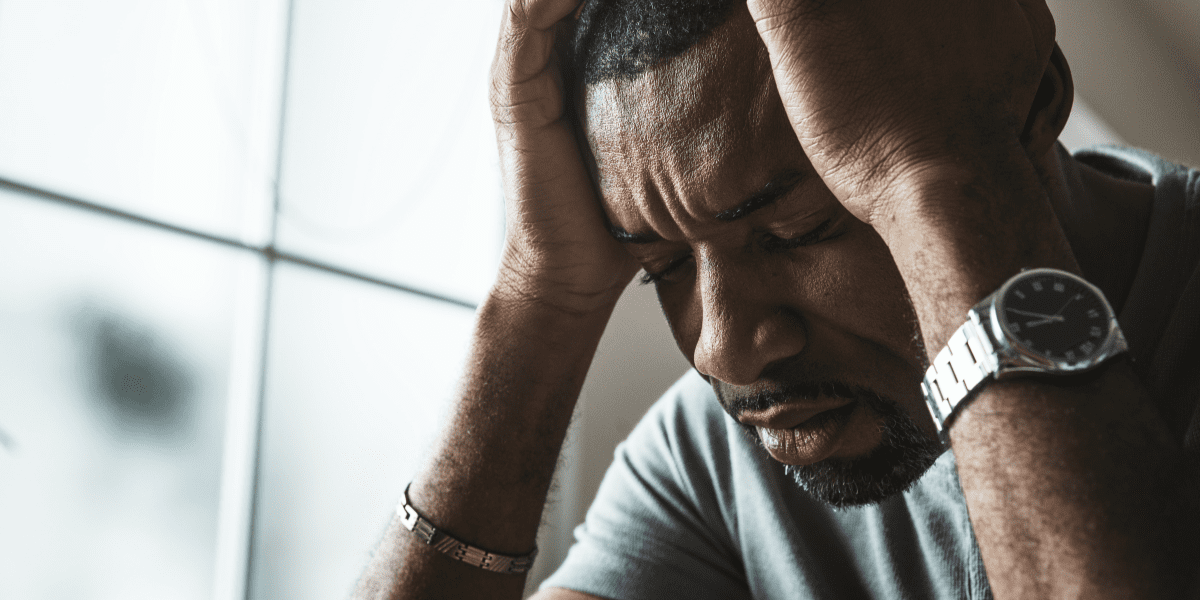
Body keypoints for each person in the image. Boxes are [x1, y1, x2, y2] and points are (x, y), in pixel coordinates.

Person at [353, 0, 1200, 598]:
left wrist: (940, 175)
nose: (724, 349)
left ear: (1035, 101)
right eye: (662, 268)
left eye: (798, 231)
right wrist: (539, 299)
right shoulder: (710, 461)